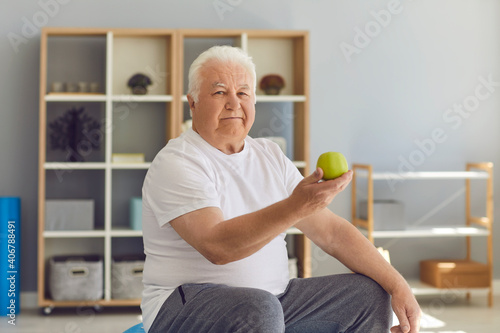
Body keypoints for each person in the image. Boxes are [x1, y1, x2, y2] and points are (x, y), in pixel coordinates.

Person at [141, 45, 421, 333]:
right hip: (185, 310)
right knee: (258, 309)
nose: (233, 104)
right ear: (193, 103)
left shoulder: (269, 154)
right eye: (219, 92)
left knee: (369, 294)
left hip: (273, 304)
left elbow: (332, 233)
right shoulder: (177, 161)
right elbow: (217, 247)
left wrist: (399, 286)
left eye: (243, 93)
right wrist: (297, 205)